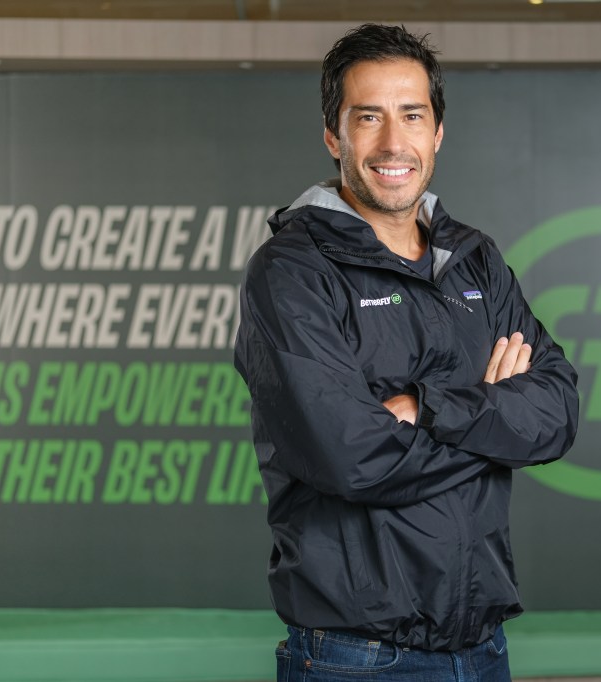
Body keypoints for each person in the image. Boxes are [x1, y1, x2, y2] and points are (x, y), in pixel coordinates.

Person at [234, 23, 579, 682]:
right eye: (369, 117)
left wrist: (427, 409)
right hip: (356, 657)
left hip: (483, 649)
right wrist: (494, 419)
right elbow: (354, 459)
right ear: (333, 135)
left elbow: (557, 411)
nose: (394, 142)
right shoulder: (291, 272)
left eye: (412, 115)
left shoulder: (474, 259)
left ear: (438, 132)